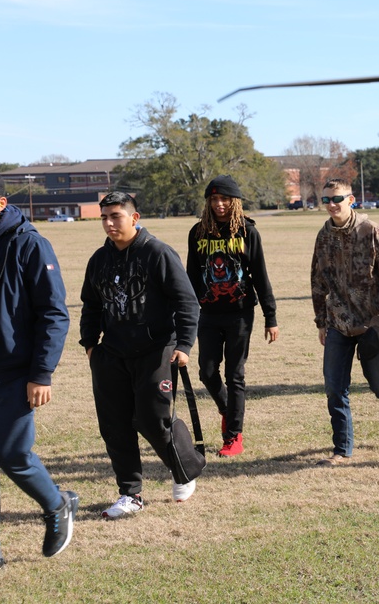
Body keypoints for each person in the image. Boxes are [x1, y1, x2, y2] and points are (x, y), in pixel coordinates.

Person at [79, 192, 201, 518]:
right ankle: (130, 494)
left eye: (115, 216)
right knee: (115, 425)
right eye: (104, 217)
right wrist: (90, 344)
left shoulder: (158, 253)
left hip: (156, 350)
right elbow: (90, 305)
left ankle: (185, 470)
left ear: (134, 218)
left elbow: (186, 302)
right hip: (111, 355)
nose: (108, 223)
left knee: (152, 420)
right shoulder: (99, 260)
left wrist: (184, 345)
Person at [0, 179, 78, 568]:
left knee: (12, 454)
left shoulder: (29, 244)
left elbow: (54, 314)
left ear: (0, 202)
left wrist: (42, 373)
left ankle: (56, 505)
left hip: (14, 372)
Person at [311, 179, 379, 465]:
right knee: (335, 387)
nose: (332, 205)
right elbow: (318, 279)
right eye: (327, 200)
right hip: (337, 323)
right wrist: (321, 321)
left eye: (337, 199)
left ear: (351, 199)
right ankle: (342, 450)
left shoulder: (370, 231)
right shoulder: (324, 234)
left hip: (372, 324)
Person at [187, 175, 278, 457]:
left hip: (240, 314)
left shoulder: (247, 232)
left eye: (225, 199)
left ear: (235, 201)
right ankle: (227, 408)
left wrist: (270, 316)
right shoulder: (198, 232)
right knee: (207, 372)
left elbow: (260, 275)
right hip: (209, 313)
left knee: (235, 375)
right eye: (214, 199)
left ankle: (233, 435)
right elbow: (190, 277)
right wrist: (184, 315)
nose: (220, 204)